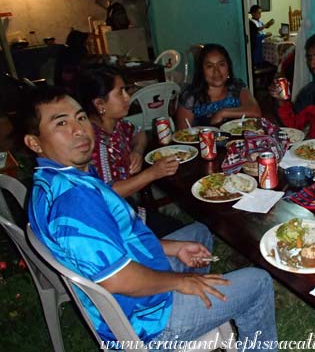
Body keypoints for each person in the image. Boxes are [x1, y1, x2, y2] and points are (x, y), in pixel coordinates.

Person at [21, 86, 277, 350]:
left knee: (199, 233)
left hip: (136, 290)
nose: (79, 129)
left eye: (81, 117)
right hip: (144, 322)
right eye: (61, 123)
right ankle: (187, 318)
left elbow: (115, 241)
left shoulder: (54, 178)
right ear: (34, 142)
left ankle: (203, 313)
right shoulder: (74, 200)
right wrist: (181, 281)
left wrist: (173, 248)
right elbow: (119, 279)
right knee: (258, 283)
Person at [74, 66, 184, 236]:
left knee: (178, 226)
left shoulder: (116, 124)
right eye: (120, 92)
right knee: (186, 232)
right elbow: (108, 194)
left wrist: (138, 151)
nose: (128, 97)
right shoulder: (94, 142)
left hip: (128, 206)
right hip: (113, 223)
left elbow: (138, 133)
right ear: (99, 104)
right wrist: (152, 173)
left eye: (126, 90)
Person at [175, 44, 261, 128]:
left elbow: (255, 111)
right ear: (201, 70)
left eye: (221, 64)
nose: (216, 71)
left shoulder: (236, 87)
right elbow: (182, 135)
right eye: (209, 66)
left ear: (228, 66)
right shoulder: (190, 97)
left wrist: (222, 113)